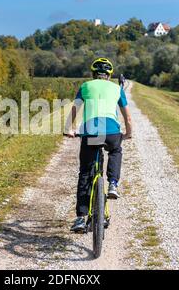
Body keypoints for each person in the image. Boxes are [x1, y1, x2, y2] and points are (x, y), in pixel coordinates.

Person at [65, 58, 133, 233]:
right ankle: (112, 183)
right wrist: (128, 133)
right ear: (109, 75)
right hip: (111, 132)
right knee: (115, 150)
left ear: (93, 74)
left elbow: (74, 110)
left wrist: (69, 129)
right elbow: (128, 117)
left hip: (90, 132)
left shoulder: (85, 86)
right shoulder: (117, 88)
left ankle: (80, 217)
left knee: (85, 173)